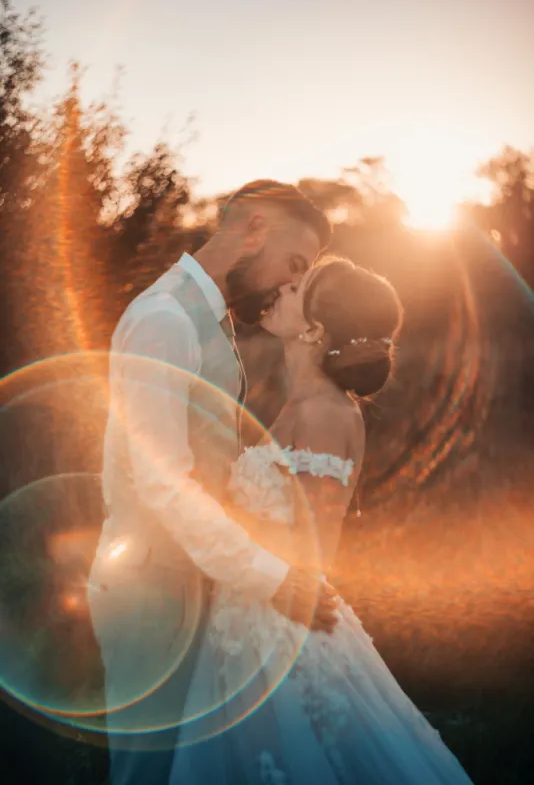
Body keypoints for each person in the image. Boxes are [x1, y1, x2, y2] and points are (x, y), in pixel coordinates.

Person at [168, 257, 474, 784]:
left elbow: (312, 548)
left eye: (297, 288)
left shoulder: (327, 414)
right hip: (247, 613)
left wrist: (218, 511)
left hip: (282, 627)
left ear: (314, 330)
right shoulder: (300, 404)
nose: (282, 287)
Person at [86, 180, 337, 785]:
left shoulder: (208, 319)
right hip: (151, 592)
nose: (292, 285)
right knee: (149, 773)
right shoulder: (164, 320)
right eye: (294, 264)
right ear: (254, 229)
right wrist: (270, 578)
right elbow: (163, 484)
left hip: (194, 583)